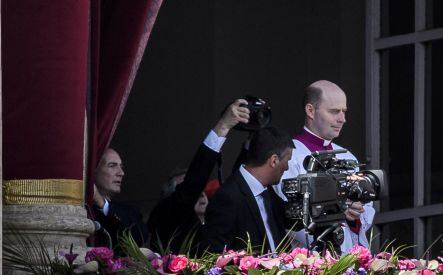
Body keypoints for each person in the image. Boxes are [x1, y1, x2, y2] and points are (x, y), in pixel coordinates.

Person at [278, 80, 372, 251]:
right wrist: (335, 213)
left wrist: (356, 213)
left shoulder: (347, 156)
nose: (342, 119)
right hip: (310, 259)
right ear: (310, 110)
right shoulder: (291, 156)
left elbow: (366, 208)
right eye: (334, 111)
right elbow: (288, 213)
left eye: (344, 111)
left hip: (348, 256)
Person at [147, 99, 249, 251]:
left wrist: (250, 145)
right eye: (188, 188)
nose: (201, 193)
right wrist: (223, 125)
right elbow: (194, 181)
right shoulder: (166, 213)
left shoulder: (213, 220)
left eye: (202, 190)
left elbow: (236, 184)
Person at [199, 126, 294, 253]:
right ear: (274, 160)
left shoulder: (268, 191)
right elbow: (213, 252)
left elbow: (289, 219)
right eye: (287, 161)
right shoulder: (228, 197)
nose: (287, 167)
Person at [90, 148, 149, 247]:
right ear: (94, 170)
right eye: (112, 166)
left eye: (121, 166)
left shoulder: (130, 211)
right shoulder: (83, 209)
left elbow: (139, 238)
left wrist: (102, 204)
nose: (121, 173)